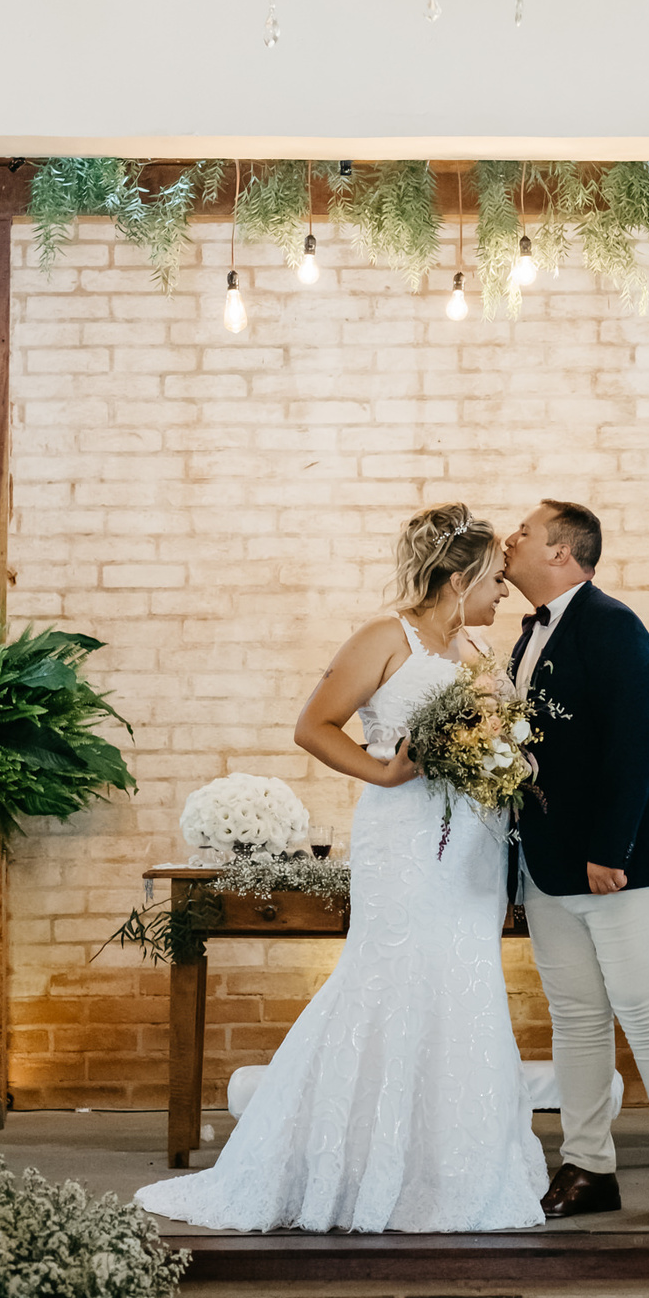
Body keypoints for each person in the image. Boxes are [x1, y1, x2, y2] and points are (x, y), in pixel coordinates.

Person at [135, 504, 548, 1234]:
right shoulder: (384, 638)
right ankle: (354, 1166)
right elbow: (313, 726)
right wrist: (384, 774)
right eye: (493, 581)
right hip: (407, 841)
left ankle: (453, 1166)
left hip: (474, 851)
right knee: (390, 980)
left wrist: (505, 758)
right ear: (456, 580)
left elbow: (499, 736)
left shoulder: (480, 656)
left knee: (466, 985)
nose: (503, 595)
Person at [503, 499, 649, 1227]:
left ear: (562, 552)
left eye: (523, 531)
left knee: (647, 1008)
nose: (509, 538)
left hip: (625, 863)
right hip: (552, 865)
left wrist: (608, 852)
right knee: (577, 1018)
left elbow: (637, 742)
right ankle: (588, 1168)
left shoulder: (614, 625)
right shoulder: (525, 637)